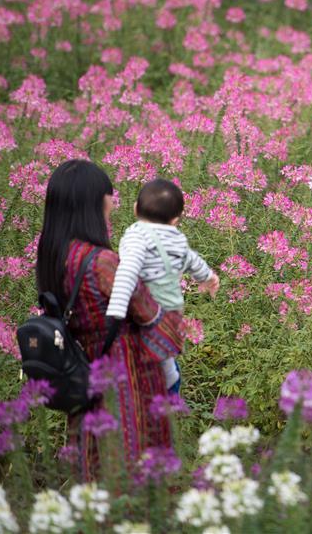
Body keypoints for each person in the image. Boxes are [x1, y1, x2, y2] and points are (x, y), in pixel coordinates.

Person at [36, 160, 184, 480]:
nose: (113, 202)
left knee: (94, 455)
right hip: (123, 368)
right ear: (93, 201)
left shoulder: (54, 255)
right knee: (133, 449)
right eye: (109, 194)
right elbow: (147, 311)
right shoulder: (101, 261)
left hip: (83, 367)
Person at [106, 178, 220, 394]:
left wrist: (115, 311)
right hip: (171, 314)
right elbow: (192, 260)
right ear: (175, 220)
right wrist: (208, 277)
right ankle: (169, 382)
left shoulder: (136, 236)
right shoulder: (178, 240)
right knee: (162, 353)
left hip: (145, 311)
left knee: (134, 350)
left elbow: (127, 272)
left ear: (135, 209)